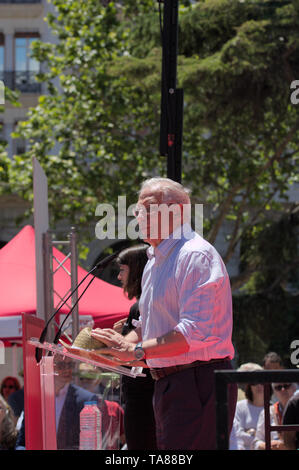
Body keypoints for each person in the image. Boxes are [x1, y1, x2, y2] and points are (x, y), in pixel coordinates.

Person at [91, 177, 237, 450]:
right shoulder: (154, 260)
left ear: (179, 211)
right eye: (137, 209)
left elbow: (193, 332)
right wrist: (110, 344)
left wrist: (134, 351)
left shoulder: (195, 255)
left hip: (196, 381)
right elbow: (150, 326)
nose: (138, 216)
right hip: (167, 383)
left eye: (148, 208)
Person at [114, 244, 157, 450]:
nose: (119, 277)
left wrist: (108, 349)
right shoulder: (142, 306)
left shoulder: (142, 307)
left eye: (123, 270)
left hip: (144, 401)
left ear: (137, 270)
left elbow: (141, 355)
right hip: (143, 399)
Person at [252, 382, 297, 450]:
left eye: (286, 386)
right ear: (274, 392)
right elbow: (256, 442)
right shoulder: (268, 412)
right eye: (278, 387)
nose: (283, 390)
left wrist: (289, 445)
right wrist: (267, 445)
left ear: (295, 388)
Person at [229, 363, 264, 450]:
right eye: (254, 382)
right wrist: (261, 438)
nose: (259, 385)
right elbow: (237, 434)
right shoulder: (239, 406)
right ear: (249, 385)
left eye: (262, 381)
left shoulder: (272, 408)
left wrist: (251, 433)